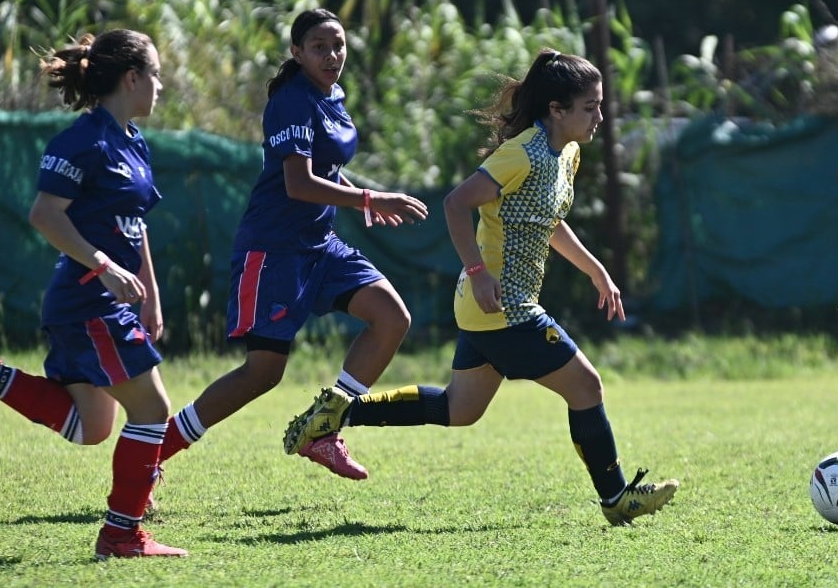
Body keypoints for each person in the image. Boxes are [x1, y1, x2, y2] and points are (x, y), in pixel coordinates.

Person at [282, 48, 679, 526]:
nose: (599, 116)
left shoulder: (566, 153)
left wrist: (595, 270)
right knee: (586, 386)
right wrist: (478, 271)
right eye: (590, 107)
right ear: (557, 110)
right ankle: (617, 498)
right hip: (501, 306)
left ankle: (337, 413)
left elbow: (548, 221)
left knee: (460, 408)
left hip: (487, 306)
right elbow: (456, 203)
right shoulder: (522, 154)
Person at [0, 29, 187, 559]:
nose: (159, 85)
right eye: (155, 74)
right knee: (153, 411)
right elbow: (45, 215)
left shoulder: (132, 141)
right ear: (131, 78)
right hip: (89, 302)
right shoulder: (81, 142)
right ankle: (121, 536)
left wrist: (151, 292)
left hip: (103, 301)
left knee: (92, 427)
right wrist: (105, 266)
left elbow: (136, 224)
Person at [147, 8, 429, 482]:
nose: (332, 55)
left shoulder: (333, 95)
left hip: (320, 245)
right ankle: (152, 456)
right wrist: (367, 198)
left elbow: (327, 170)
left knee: (391, 317)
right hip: (274, 249)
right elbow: (298, 183)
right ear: (296, 53)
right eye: (319, 46)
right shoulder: (292, 101)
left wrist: (365, 198)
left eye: (338, 45)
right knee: (262, 372)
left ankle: (323, 426)